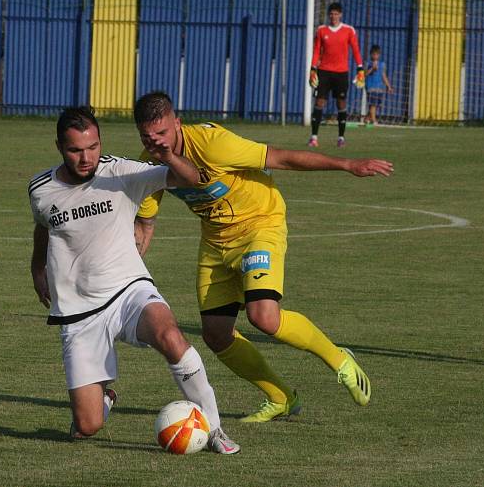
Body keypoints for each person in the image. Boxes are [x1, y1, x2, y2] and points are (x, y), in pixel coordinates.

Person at [133, 91, 393, 423]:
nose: (156, 143)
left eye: (162, 135)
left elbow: (281, 158)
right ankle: (281, 397)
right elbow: (145, 223)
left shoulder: (214, 144)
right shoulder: (149, 162)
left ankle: (339, 359)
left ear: (177, 124)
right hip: (215, 241)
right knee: (215, 334)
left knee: (264, 317)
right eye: (147, 137)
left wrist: (347, 164)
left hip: (260, 224)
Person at [28, 106, 239, 454]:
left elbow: (192, 179)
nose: (86, 158)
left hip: (129, 290)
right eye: (76, 150)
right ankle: (104, 398)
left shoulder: (121, 172)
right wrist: (37, 268)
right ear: (59, 147)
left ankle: (214, 429)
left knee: (170, 335)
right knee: (87, 426)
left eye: (93, 147)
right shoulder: (40, 189)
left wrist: (170, 156)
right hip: (79, 313)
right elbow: (43, 226)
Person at [308, 2, 364, 149]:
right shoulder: (321, 30)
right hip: (324, 71)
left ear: (341, 15)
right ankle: (314, 137)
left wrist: (360, 68)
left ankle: (341, 138)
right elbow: (316, 51)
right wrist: (313, 69)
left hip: (341, 73)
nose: (334, 16)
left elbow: (356, 50)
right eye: (331, 14)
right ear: (329, 15)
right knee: (319, 102)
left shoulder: (348, 30)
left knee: (341, 103)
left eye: (336, 13)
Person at [364, 45, 394, 126]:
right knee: (372, 104)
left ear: (379, 55)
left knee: (376, 105)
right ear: (371, 54)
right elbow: (365, 74)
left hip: (379, 87)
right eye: (373, 54)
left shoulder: (382, 64)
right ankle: (374, 120)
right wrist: (372, 69)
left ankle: (367, 118)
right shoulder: (368, 63)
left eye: (377, 54)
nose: (375, 56)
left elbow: (384, 76)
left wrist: (389, 86)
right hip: (370, 87)